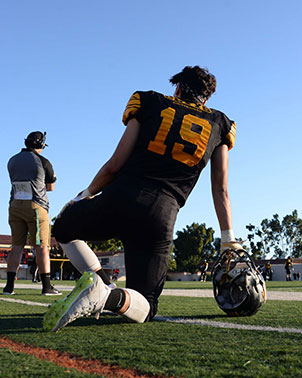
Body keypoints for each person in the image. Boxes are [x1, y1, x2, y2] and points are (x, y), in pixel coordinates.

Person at [43, 66, 241, 332]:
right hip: (160, 215)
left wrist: (85, 195)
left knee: (65, 227)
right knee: (145, 306)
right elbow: (221, 189)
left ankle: (100, 286)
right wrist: (228, 238)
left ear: (178, 88)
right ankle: (107, 295)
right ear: (206, 99)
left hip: (119, 198)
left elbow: (114, 165)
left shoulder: (149, 101)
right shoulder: (220, 123)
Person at [3, 131, 60, 296]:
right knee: (42, 247)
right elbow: (51, 188)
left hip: (14, 204)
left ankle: (9, 287)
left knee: (16, 247)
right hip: (36, 206)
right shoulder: (43, 161)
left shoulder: (12, 160)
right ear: (41, 144)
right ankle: (47, 286)